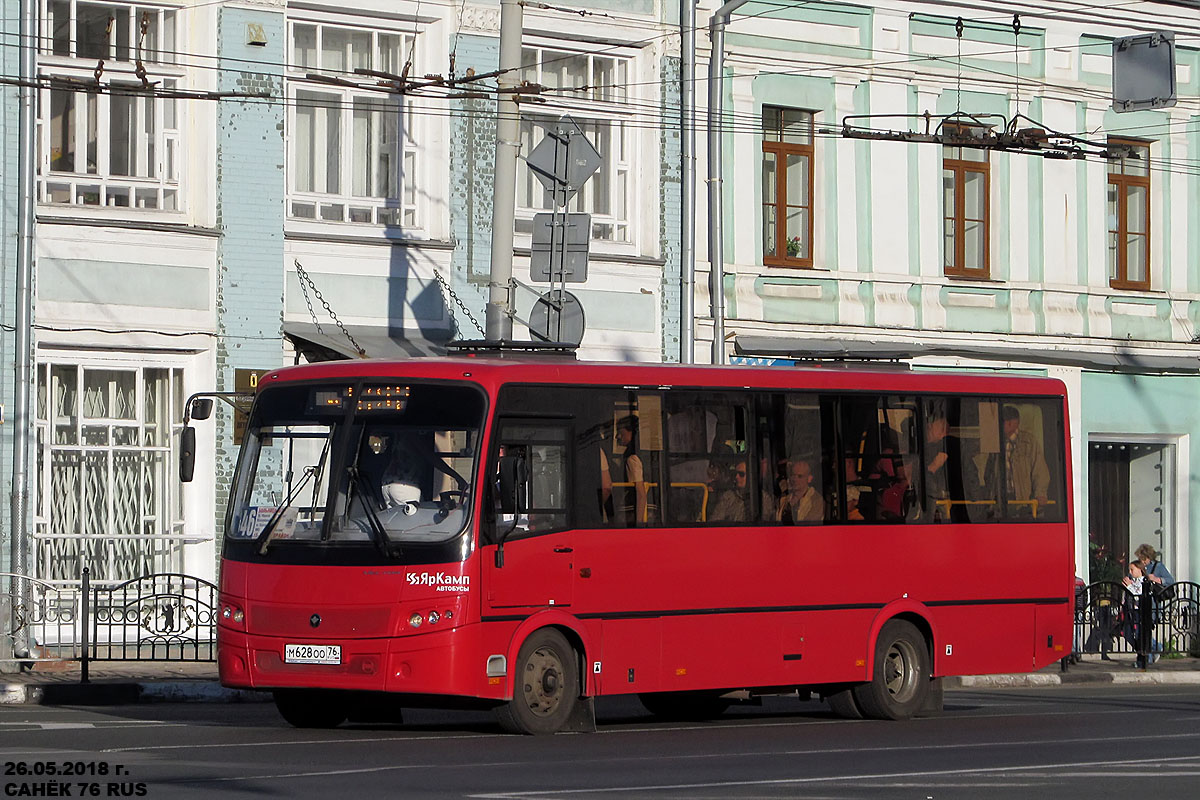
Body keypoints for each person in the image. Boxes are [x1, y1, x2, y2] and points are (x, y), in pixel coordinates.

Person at [1001, 406, 1050, 514]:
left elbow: (1040, 470)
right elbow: (989, 473)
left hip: (1024, 503)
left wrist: (1040, 494)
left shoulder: (1029, 442)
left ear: (1012, 423)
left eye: (1003, 421)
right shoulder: (995, 443)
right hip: (1000, 502)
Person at [600, 414, 646, 526]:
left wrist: (638, 524)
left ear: (630, 432)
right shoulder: (641, 454)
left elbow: (641, 494)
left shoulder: (632, 458)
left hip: (630, 515)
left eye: (621, 432)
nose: (617, 436)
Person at [1121, 560, 1160, 668]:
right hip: (1130, 612)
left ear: (1140, 569)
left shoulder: (1144, 581)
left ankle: (1142, 658)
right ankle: (1148, 650)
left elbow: (1138, 596)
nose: (1130, 572)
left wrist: (1129, 586)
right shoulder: (1131, 581)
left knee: (1140, 635)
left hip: (1141, 612)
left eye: (1132, 569)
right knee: (1127, 633)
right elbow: (1125, 597)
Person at [777, 459, 824, 523]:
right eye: (793, 475)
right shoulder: (784, 499)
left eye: (800, 476)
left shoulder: (817, 501)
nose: (794, 479)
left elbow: (808, 527)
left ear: (809, 479)